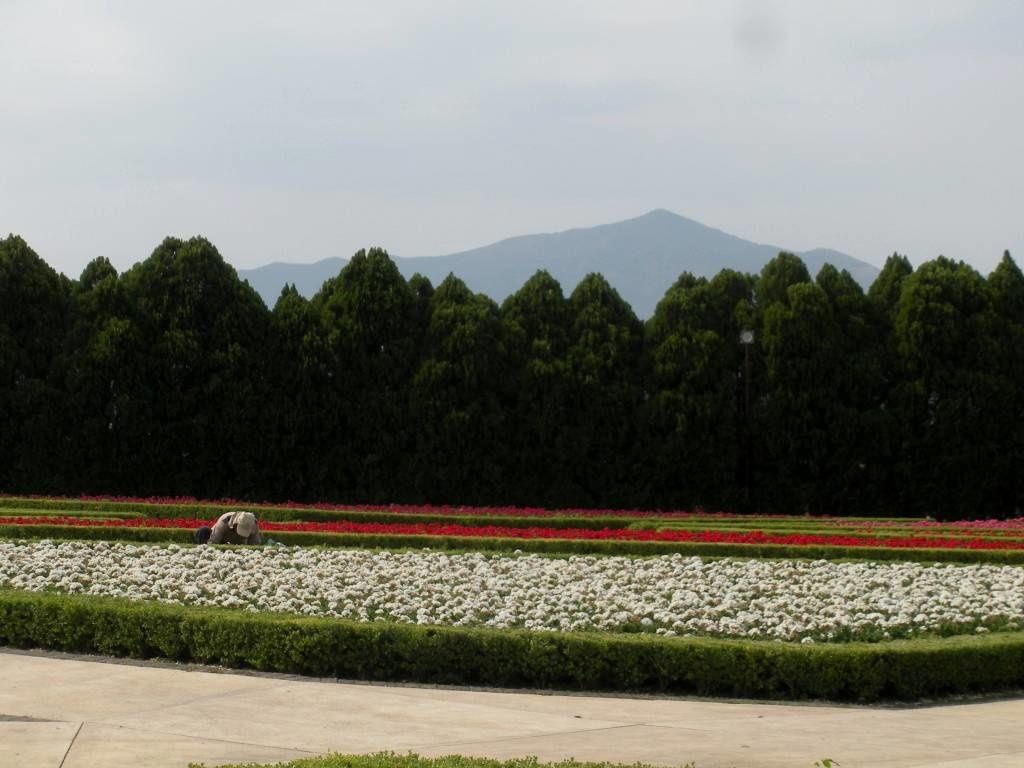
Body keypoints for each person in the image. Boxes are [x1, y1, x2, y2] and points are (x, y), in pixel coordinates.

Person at [194, 510, 261, 545]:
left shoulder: (254, 525)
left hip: (240, 544)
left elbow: (254, 545)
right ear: (235, 523)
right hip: (222, 540)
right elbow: (213, 542)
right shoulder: (224, 520)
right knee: (203, 530)